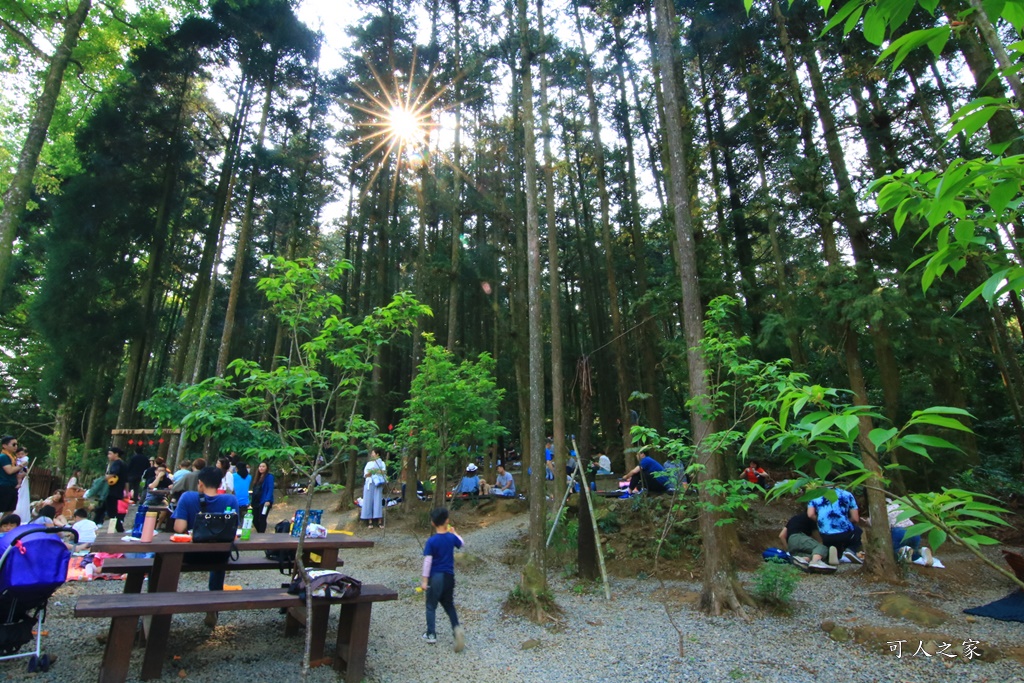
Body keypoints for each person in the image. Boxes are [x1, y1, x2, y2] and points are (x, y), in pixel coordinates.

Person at [172, 466, 238, 627]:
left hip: (190, 556)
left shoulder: (187, 497)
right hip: (218, 556)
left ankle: (158, 599)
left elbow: (179, 528)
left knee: (156, 560)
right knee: (219, 562)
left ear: (200, 483)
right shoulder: (230, 500)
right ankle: (213, 606)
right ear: (220, 483)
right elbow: (234, 529)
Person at [421, 507, 465, 652]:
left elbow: (428, 561)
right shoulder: (451, 538)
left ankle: (431, 633)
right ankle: (456, 628)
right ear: (447, 521)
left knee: (431, 605)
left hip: (436, 577)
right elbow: (462, 543)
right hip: (449, 576)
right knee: (449, 604)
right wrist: (454, 532)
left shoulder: (432, 541)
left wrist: (425, 580)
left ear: (433, 523)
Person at [807, 487, 864, 565]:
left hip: (825, 535)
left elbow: (810, 515)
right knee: (858, 531)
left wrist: (822, 521)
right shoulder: (847, 494)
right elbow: (855, 519)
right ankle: (850, 551)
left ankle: (835, 555)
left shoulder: (814, 495)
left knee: (833, 541)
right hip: (844, 534)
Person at [886, 498, 933, 566]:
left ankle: (904, 550)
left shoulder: (881, 510)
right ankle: (921, 551)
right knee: (913, 553)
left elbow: (880, 525)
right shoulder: (896, 505)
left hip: (899, 532)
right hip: (913, 531)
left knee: (894, 552)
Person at [361, 449, 387, 529]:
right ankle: (370, 520)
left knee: (378, 501)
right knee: (368, 501)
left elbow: (383, 472)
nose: (372, 455)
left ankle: (379, 520)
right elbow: (366, 475)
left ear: (377, 454)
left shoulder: (382, 463)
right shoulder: (369, 464)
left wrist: (376, 471)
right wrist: (372, 472)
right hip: (370, 483)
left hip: (378, 484)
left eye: (373, 453)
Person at [0, 436, 26, 515]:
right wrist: (21, 465)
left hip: (12, 486)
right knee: (4, 508)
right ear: (4, 445)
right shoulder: (3, 457)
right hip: (4, 486)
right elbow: (9, 471)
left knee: (10, 510)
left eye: (17, 444)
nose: (16, 446)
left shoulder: (12, 457)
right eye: (13, 444)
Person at [104, 447, 127, 531]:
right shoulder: (123, 464)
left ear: (116, 454)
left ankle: (119, 529)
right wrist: (126, 492)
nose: (108, 456)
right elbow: (126, 480)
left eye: (110, 453)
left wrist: (104, 478)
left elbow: (113, 473)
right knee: (113, 511)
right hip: (119, 491)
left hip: (112, 490)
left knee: (112, 512)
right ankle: (118, 528)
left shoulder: (116, 463)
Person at [251, 461, 274, 534]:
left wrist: (268, 500)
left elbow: (270, 488)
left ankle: (261, 533)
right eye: (260, 466)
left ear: (267, 468)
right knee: (254, 519)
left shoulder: (269, 477)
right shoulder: (257, 477)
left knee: (262, 518)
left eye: (263, 466)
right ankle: (259, 532)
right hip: (256, 501)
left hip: (264, 501)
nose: (261, 468)